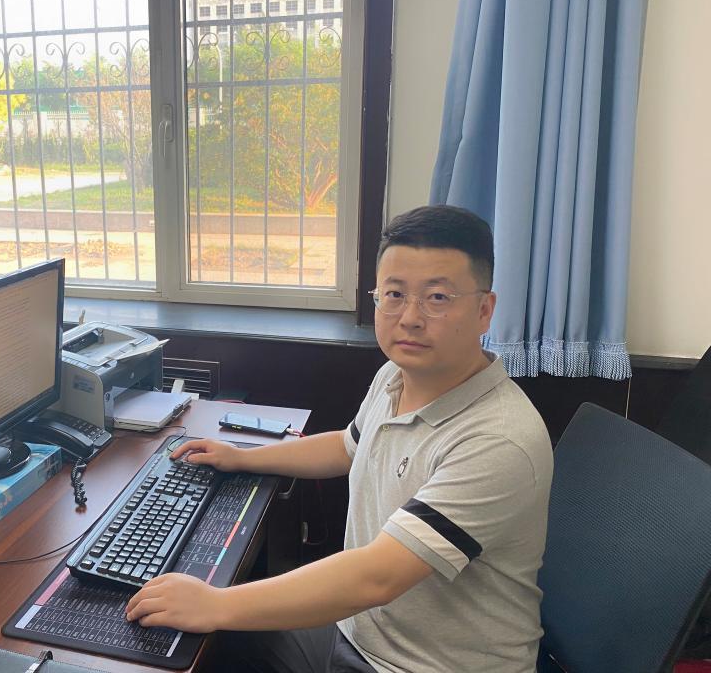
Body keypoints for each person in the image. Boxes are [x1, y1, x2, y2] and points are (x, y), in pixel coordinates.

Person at [125, 205, 553, 673]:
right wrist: (242, 456)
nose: (410, 318)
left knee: (208, 625)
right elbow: (347, 447)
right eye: (395, 294)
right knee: (176, 646)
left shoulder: (498, 439)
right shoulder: (396, 376)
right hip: (360, 629)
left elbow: (378, 578)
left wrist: (216, 603)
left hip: (421, 664)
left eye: (437, 298)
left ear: (484, 310)